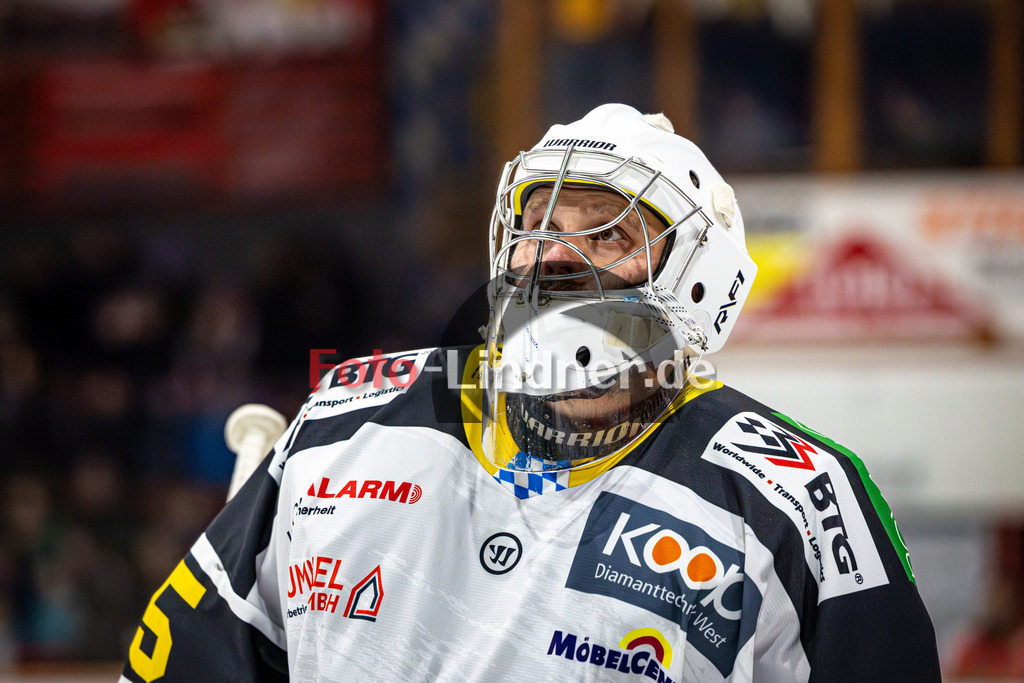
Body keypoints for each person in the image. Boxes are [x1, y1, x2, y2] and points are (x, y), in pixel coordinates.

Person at [120, 104, 940, 682]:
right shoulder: (341, 427)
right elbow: (183, 659)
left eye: (607, 231)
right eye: (537, 224)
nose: (552, 254)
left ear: (701, 284)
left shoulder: (803, 501)